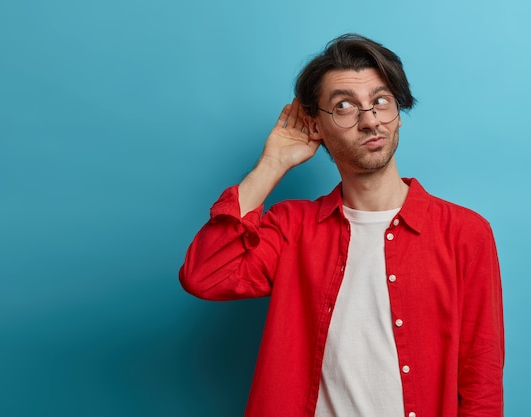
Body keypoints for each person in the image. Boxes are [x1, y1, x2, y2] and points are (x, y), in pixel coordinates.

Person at [179, 34, 504, 417]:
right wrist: (273, 164)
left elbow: (480, 379)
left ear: (397, 112)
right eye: (345, 106)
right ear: (315, 125)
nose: (369, 120)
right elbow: (205, 275)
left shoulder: (465, 233)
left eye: (380, 102)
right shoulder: (291, 227)